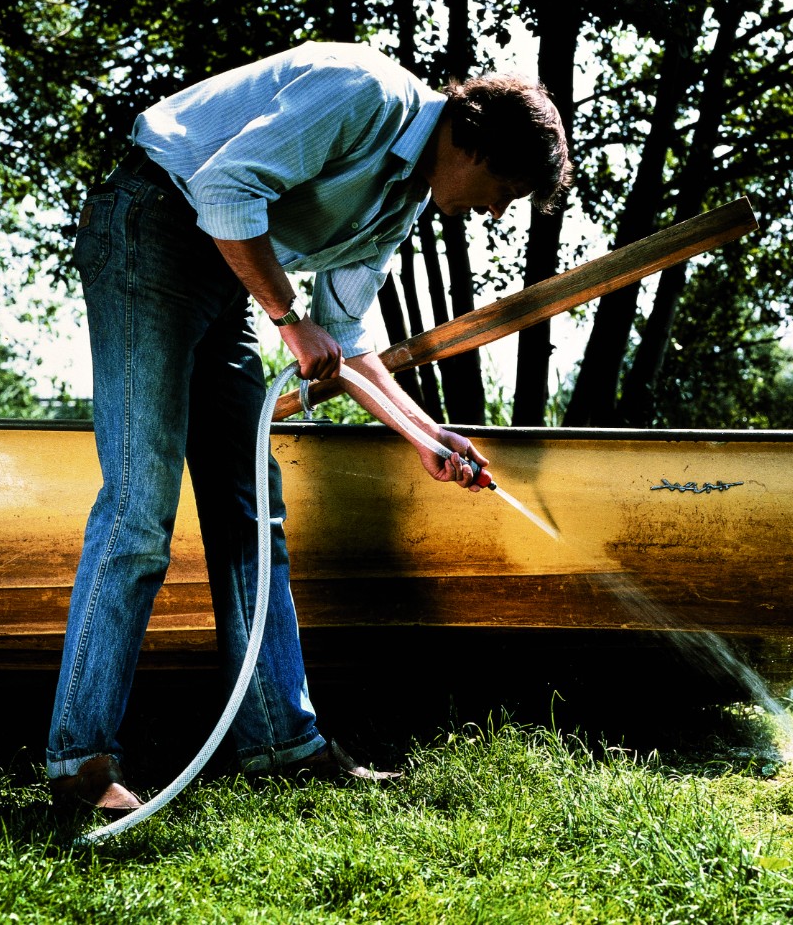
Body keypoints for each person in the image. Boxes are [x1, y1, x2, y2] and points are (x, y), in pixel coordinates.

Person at [47, 41, 573, 816]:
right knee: (140, 506)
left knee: (253, 514)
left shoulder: (403, 199)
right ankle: (80, 764)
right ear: (470, 139)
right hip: (151, 227)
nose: (497, 210)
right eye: (504, 187)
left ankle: (280, 742)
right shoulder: (363, 93)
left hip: (227, 273)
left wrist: (429, 434)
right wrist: (288, 320)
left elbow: (346, 336)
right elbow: (226, 187)